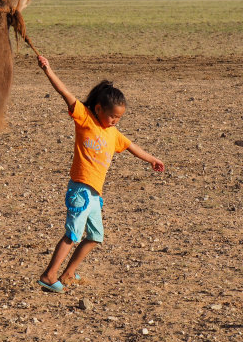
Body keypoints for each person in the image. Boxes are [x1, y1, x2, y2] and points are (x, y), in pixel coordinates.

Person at [36, 55, 165, 293]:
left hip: (95, 195)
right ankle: (49, 274)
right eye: (113, 116)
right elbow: (65, 93)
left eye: (119, 118)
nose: (116, 121)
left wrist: (152, 159)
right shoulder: (85, 119)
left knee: (95, 236)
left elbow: (131, 146)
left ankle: (68, 273)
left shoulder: (113, 133)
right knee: (73, 234)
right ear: (98, 109)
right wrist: (48, 70)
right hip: (80, 190)